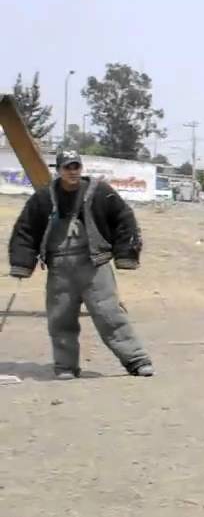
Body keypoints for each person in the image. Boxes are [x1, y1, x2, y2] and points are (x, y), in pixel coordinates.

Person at [7, 150, 154, 379]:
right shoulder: (44, 197)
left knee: (109, 314)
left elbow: (124, 219)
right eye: (67, 167)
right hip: (59, 268)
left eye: (76, 166)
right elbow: (26, 230)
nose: (73, 171)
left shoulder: (100, 192)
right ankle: (65, 366)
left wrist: (126, 254)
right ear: (59, 171)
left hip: (94, 265)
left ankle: (136, 360)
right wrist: (22, 263)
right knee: (60, 318)